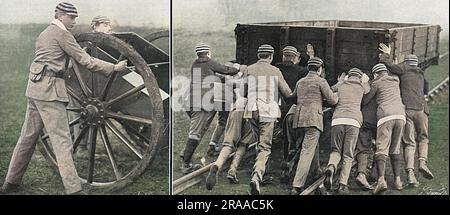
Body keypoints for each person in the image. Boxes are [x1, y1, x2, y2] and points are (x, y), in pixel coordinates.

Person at [0, 2, 127, 195]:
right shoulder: (62, 35)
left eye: (75, 18)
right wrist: (114, 68)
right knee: (62, 141)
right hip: (50, 93)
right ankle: (74, 189)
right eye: (71, 17)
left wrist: (76, 54)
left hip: (34, 90)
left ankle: (10, 182)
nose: (74, 22)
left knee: (27, 138)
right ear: (60, 16)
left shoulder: (44, 34)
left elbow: (56, 61)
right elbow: (86, 62)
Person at [379, 43, 434, 185]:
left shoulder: (403, 69)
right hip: (421, 110)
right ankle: (422, 162)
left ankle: (410, 174)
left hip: (407, 111)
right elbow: (426, 90)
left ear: (406, 63)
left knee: (409, 142)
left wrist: (387, 53)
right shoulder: (420, 73)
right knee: (423, 138)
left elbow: (387, 64)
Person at [181, 43, 240, 174]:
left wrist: (222, 78)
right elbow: (227, 69)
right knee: (195, 133)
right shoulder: (209, 62)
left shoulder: (195, 64)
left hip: (189, 101)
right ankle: (185, 165)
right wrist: (237, 67)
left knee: (197, 129)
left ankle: (185, 154)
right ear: (208, 53)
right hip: (200, 103)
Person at [243, 44, 292, 195]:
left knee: (259, 143)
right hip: (267, 111)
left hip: (251, 110)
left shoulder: (249, 69)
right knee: (265, 146)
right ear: (270, 57)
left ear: (259, 56)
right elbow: (287, 93)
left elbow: (243, 91)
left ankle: (262, 173)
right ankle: (256, 177)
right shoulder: (275, 70)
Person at [290, 57, 338, 195]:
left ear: (308, 68)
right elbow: (333, 100)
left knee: (311, 146)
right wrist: (338, 93)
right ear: (320, 69)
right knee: (307, 151)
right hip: (313, 119)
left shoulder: (301, 81)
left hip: (299, 120)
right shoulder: (321, 81)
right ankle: (297, 185)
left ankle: (316, 171)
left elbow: (293, 97)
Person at [323, 68, 370, 194]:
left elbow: (330, 90)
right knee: (348, 154)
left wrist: (340, 81)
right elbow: (368, 91)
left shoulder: (342, 85)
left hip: (338, 120)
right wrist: (365, 81)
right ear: (359, 77)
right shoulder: (362, 86)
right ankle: (343, 185)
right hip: (353, 121)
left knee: (335, 150)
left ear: (348, 76)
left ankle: (331, 167)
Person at [363, 63, 406, 194]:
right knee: (395, 147)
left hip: (385, 116)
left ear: (376, 74)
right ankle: (398, 181)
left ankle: (381, 180)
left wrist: (366, 83)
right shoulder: (395, 80)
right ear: (386, 72)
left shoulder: (376, 83)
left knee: (381, 148)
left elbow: (365, 100)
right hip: (400, 115)